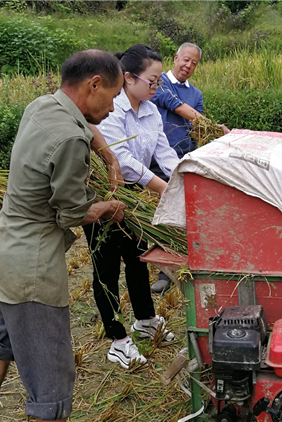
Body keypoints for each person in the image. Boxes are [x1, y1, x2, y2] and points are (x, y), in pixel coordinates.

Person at [0, 50, 126, 422]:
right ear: (94, 85)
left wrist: (109, 156)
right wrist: (108, 206)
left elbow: (83, 127)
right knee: (51, 383)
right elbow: (73, 213)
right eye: (114, 97)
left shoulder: (42, 105)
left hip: (7, 251)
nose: (114, 109)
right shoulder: (70, 139)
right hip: (33, 272)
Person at [84, 44, 178, 371]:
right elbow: (121, 161)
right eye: (152, 81)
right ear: (128, 77)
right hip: (106, 192)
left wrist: (187, 178)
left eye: (158, 83)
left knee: (138, 259)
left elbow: (164, 154)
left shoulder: (151, 111)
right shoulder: (110, 108)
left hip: (136, 194)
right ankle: (118, 340)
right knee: (106, 269)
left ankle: (146, 320)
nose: (156, 88)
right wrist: (165, 189)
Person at [149, 42, 229, 293]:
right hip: (159, 160)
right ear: (175, 58)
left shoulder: (196, 95)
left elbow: (197, 131)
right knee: (162, 214)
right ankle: (161, 267)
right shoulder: (158, 82)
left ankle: (178, 267)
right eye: (185, 60)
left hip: (184, 159)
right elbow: (175, 106)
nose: (188, 66)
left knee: (186, 214)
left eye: (194, 63)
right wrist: (216, 127)